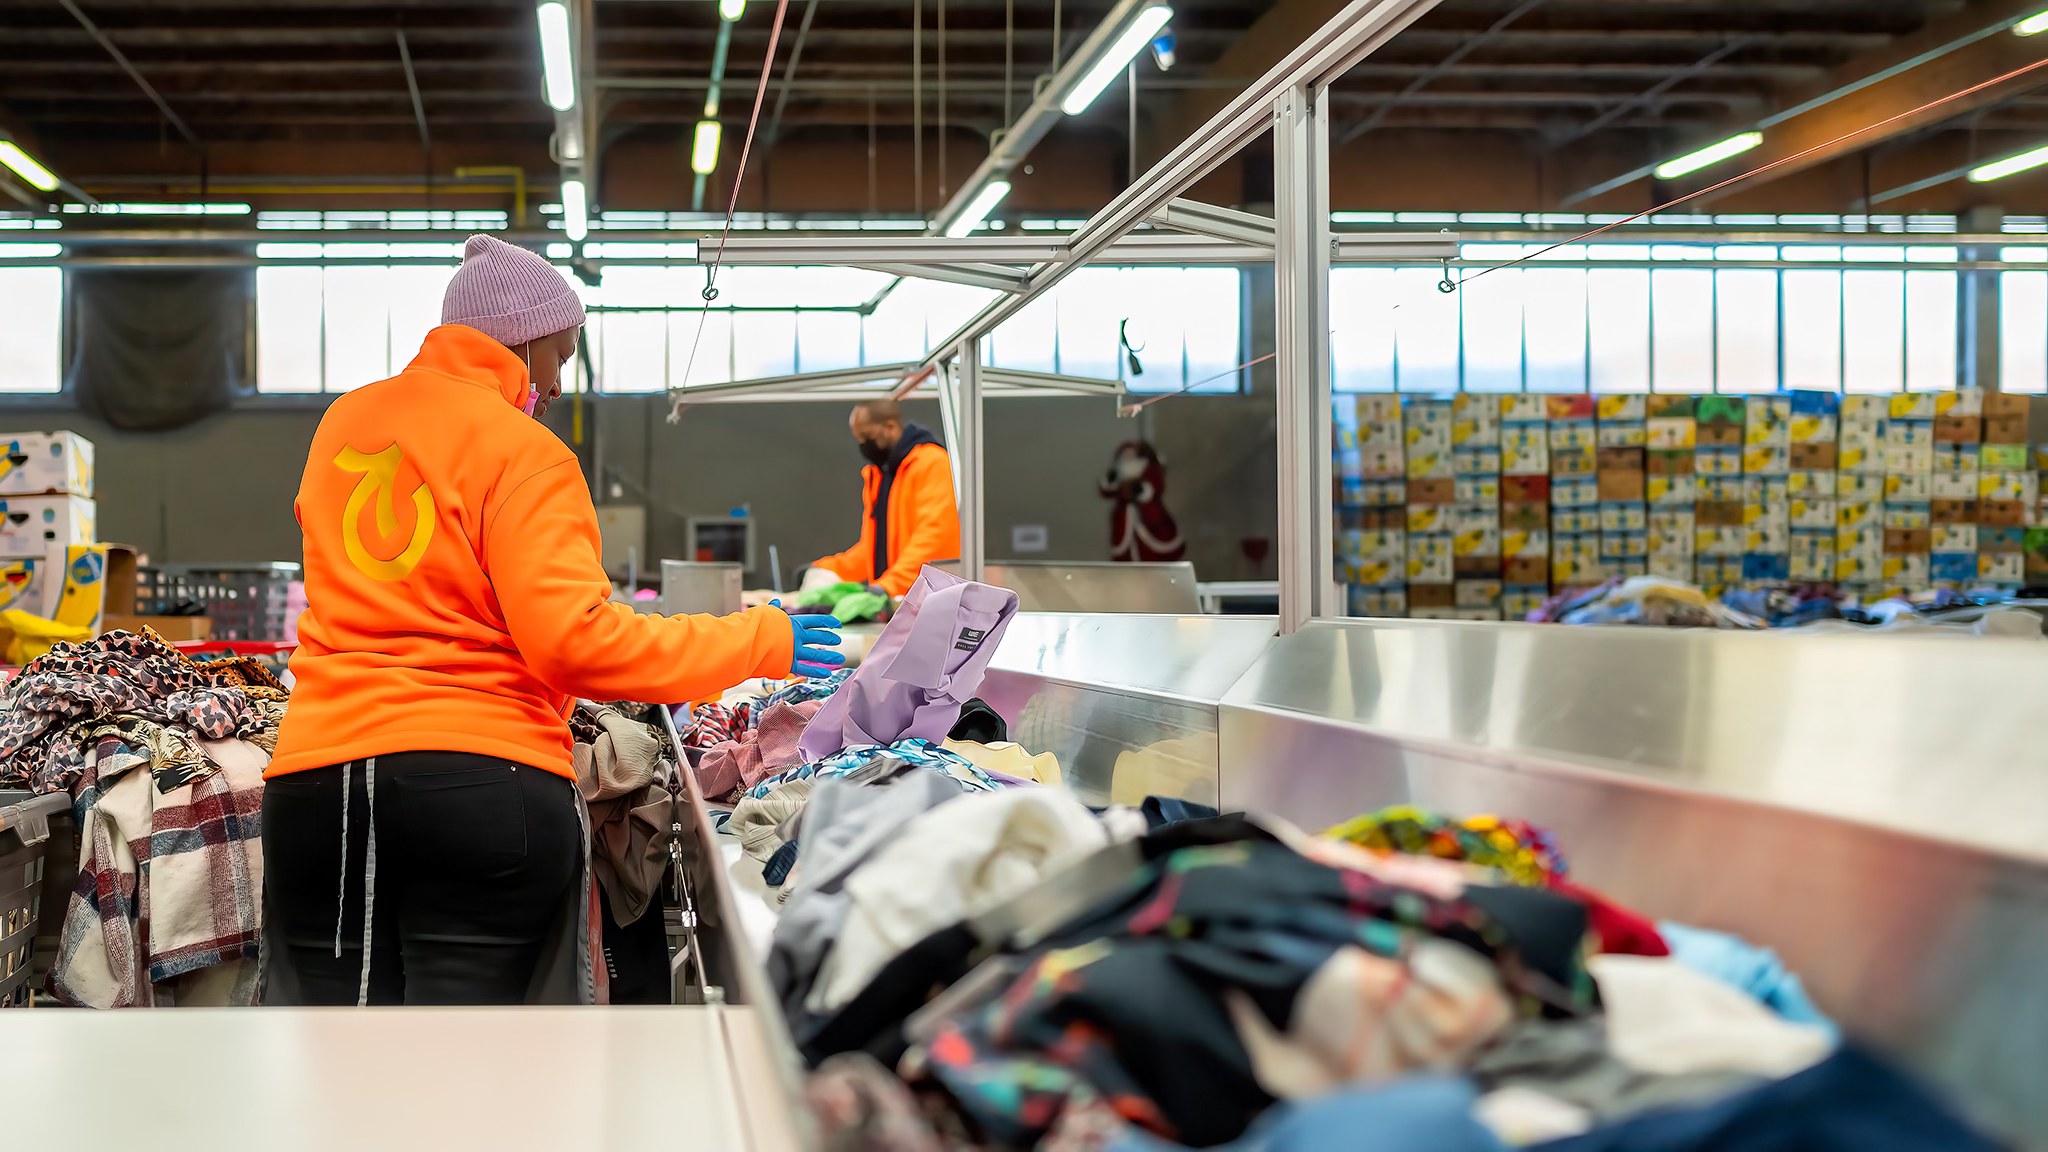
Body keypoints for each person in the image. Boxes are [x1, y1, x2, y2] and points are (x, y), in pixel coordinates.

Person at [262, 234, 843, 1006]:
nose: (560, 381)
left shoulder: (344, 424)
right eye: (563, 357)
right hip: (477, 782)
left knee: (330, 1058)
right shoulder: (523, 448)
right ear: (527, 343)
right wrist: (759, 637)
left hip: (317, 783)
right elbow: (576, 644)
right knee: (479, 1070)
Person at [811, 399, 960, 597]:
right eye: (859, 439)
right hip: (897, 601)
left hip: (928, 599)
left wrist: (888, 587)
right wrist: (828, 569)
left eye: (867, 436)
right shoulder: (881, 475)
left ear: (890, 427)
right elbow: (872, 549)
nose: (863, 445)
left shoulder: (932, 463)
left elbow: (934, 538)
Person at [1098, 440, 1185, 562]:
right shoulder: (1119, 476)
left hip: (1150, 520)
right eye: (1125, 455)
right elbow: (1106, 490)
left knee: (1152, 554)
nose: (1128, 458)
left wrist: (1138, 489)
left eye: (1131, 455)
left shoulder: (1149, 472)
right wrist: (1112, 480)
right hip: (1125, 523)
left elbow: (1154, 487)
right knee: (1126, 555)